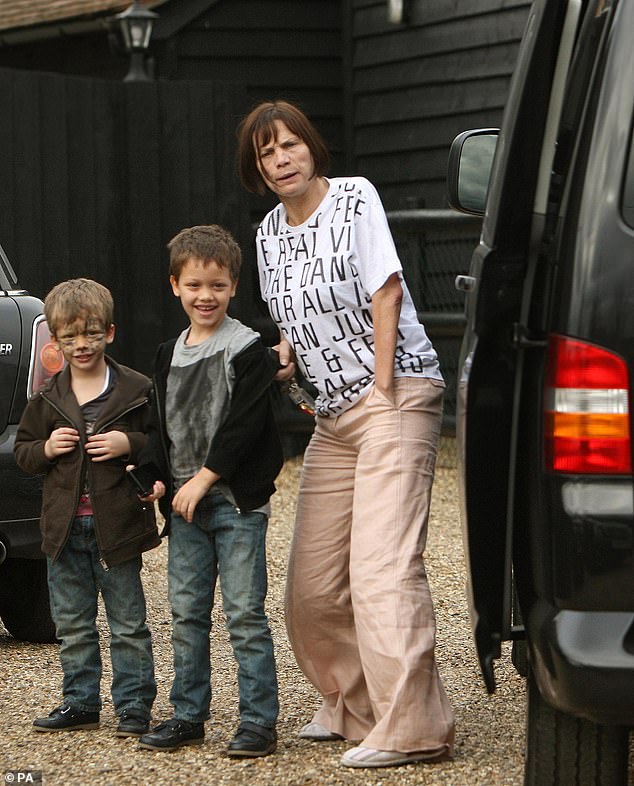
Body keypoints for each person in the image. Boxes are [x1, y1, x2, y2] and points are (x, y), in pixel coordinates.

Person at [237, 100, 455, 769]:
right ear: (256, 169)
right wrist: (287, 364)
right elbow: (293, 321)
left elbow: (384, 291)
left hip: (394, 395)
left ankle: (413, 728)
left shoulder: (355, 199)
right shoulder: (268, 233)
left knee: (383, 570)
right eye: (266, 153)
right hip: (330, 416)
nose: (281, 159)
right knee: (312, 583)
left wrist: (384, 387)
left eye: (290, 145)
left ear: (312, 148)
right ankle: (354, 702)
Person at [136, 225, 283, 757]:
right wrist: (154, 474)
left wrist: (205, 477)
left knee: (244, 612)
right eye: (195, 285)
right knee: (186, 611)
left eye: (217, 286)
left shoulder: (247, 350)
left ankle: (258, 721)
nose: (206, 296)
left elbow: (243, 427)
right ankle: (188, 714)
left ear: (234, 287)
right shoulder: (166, 354)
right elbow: (160, 423)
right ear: (175, 285)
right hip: (183, 505)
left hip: (234, 502)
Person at [14, 278, 159, 738]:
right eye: (71, 337)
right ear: (54, 342)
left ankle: (134, 705)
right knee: (74, 624)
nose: (82, 345)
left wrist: (129, 441)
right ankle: (81, 702)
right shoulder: (48, 397)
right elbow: (23, 452)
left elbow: (161, 444)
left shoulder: (136, 389)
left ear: (110, 333)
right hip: (62, 531)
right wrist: (48, 448)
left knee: (128, 624)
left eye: (91, 334)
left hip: (115, 528)